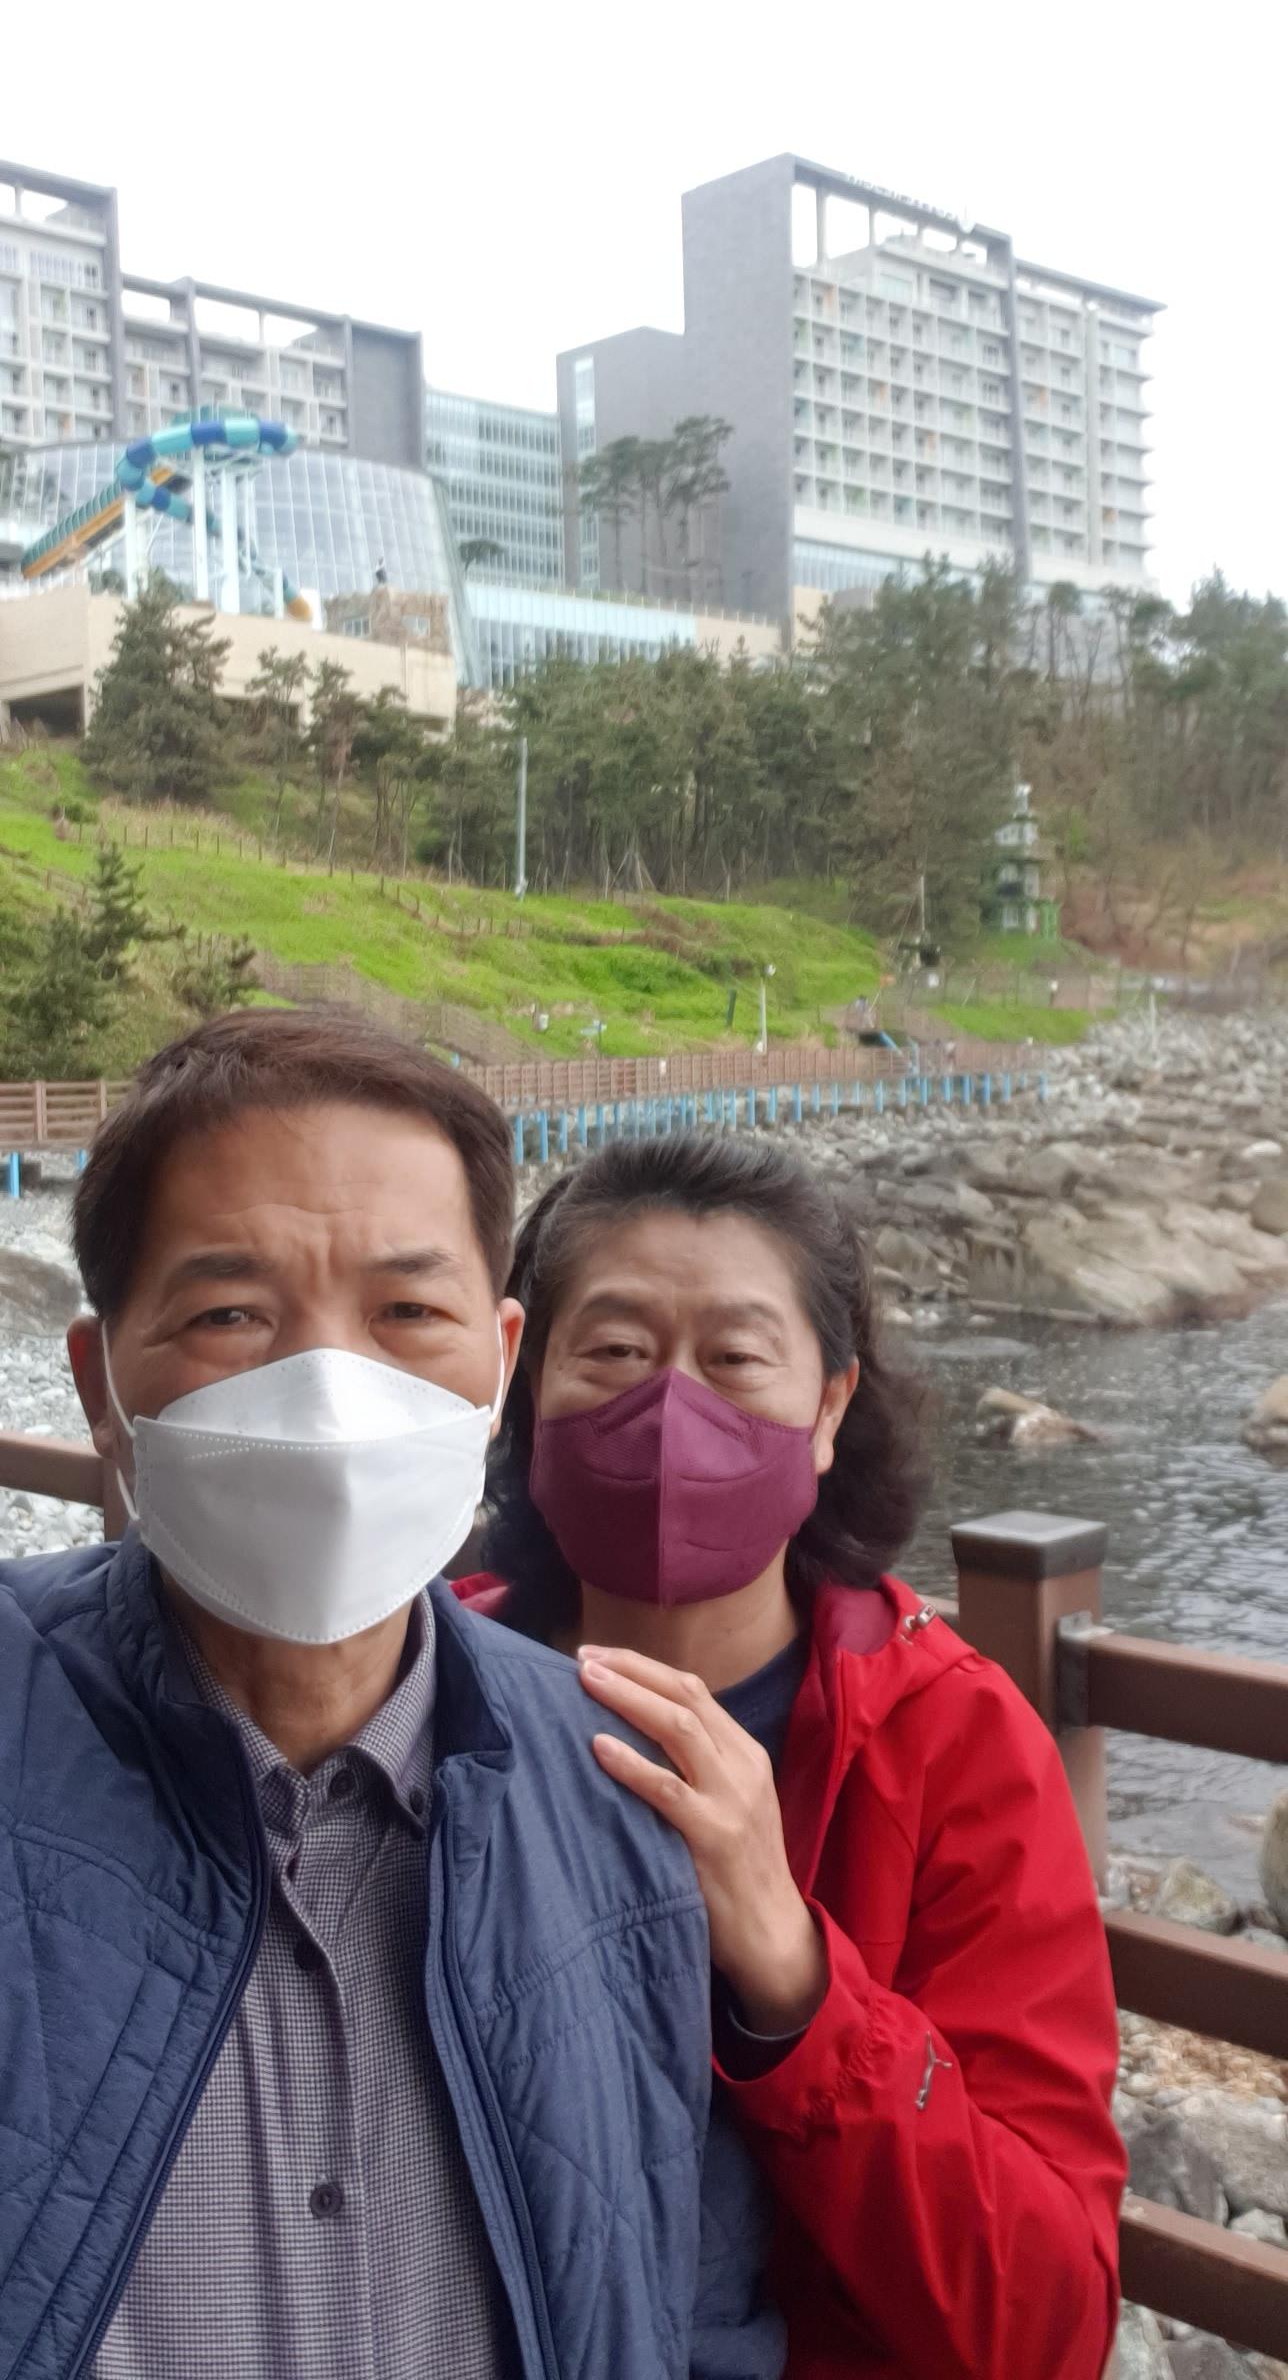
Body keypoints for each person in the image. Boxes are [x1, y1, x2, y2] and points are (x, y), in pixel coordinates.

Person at [0, 1014, 783, 2380]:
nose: (329, 1395)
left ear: (501, 1364)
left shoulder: (617, 1800)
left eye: (408, 1314)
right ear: (101, 1383)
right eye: (231, 1314)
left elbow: (681, 2287)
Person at [463, 1133, 1126, 2380]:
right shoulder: (422, 1684)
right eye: (613, 1352)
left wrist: (798, 1983)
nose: (671, 1410)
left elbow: (1045, 2329)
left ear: (827, 1408)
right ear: (522, 1379)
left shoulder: (948, 1744)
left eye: (735, 1360)